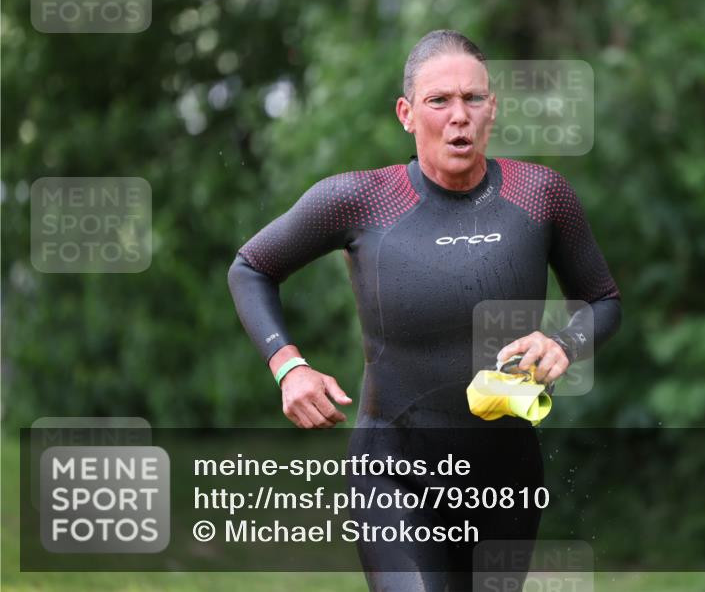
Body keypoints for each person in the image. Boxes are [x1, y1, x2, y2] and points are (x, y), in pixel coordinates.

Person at [228, 29, 621, 591]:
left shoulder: (541, 194)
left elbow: (604, 302)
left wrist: (563, 343)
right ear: (407, 113)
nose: (458, 115)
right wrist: (288, 365)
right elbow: (250, 268)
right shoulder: (362, 199)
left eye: (473, 99)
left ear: (492, 110)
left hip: (505, 476)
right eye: (439, 101)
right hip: (393, 467)